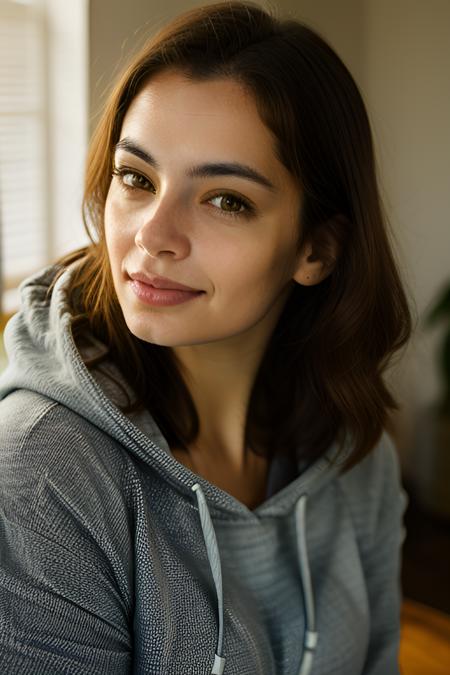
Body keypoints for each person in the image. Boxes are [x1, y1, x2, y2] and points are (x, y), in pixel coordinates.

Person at [0, 2, 414, 673]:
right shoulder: (42, 473)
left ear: (317, 248)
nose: (151, 236)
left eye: (226, 199)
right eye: (136, 178)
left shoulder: (354, 450)